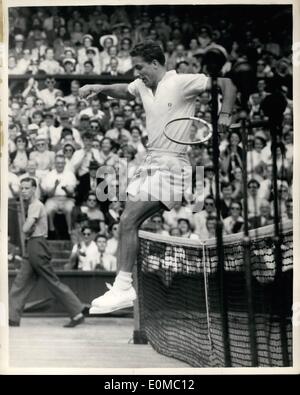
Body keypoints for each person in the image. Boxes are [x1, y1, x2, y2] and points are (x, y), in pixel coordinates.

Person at [78, 41, 236, 314]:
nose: (137, 73)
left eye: (140, 67)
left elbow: (228, 84)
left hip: (174, 167)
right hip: (151, 163)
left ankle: (123, 287)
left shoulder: (182, 82)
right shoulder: (141, 85)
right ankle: (123, 286)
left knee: (128, 220)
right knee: (125, 218)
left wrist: (225, 114)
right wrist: (100, 88)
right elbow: (125, 91)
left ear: (156, 63)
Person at [9, 178, 85, 328]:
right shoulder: (31, 205)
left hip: (37, 245)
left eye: (26, 188)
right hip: (32, 245)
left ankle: (77, 311)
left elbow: (26, 229)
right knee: (20, 282)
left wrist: (25, 226)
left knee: (52, 281)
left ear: (34, 189)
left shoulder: (35, 205)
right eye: (22, 188)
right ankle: (12, 317)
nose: (23, 191)